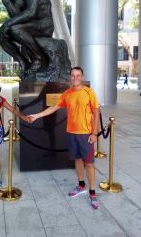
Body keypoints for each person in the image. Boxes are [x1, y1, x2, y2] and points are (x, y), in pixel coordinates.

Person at [28, 66, 100, 209]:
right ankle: (81, 186)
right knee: (77, 160)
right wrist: (36, 115)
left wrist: (94, 133)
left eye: (78, 75)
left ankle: (92, 192)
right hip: (71, 133)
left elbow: (96, 112)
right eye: (73, 75)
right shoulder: (67, 93)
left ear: (82, 76)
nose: (75, 78)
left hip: (86, 134)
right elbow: (54, 107)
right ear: (70, 77)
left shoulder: (89, 92)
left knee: (89, 163)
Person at [0, 0, 54, 75]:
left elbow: (31, 12)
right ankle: (23, 62)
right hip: (28, 25)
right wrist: (7, 3)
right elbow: (17, 17)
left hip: (44, 24)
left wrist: (7, 24)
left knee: (15, 28)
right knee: (0, 36)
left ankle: (40, 58)